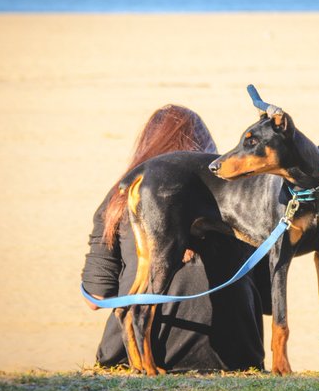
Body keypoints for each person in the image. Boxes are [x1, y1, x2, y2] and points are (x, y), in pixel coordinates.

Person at [80, 105, 266, 371]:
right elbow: (267, 298)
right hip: (233, 360)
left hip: (127, 357)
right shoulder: (242, 202)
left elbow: (95, 297)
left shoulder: (119, 201)